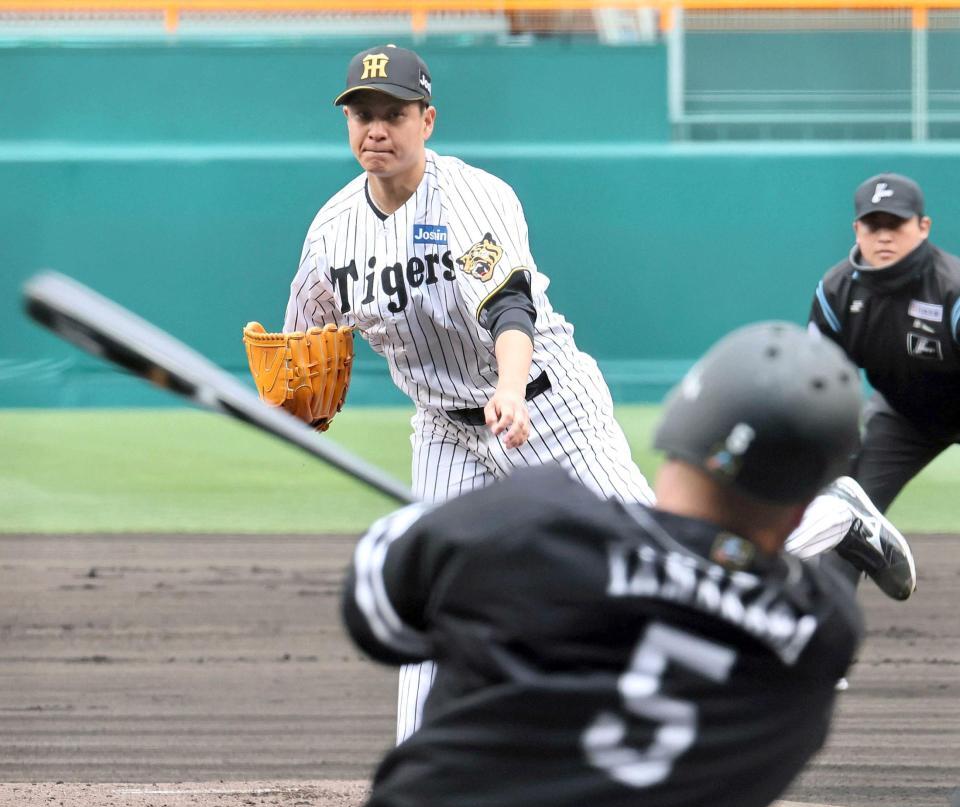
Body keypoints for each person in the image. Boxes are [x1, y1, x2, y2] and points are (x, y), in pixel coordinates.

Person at [277, 44, 912, 740]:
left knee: (672, 568)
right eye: (362, 114)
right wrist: (293, 410)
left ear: (427, 120)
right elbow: (302, 345)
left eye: (393, 113)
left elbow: (508, 308)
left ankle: (832, 519)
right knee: (438, 586)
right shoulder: (331, 232)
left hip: (547, 405)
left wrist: (511, 389)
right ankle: (414, 760)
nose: (376, 129)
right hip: (443, 428)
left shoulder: (470, 197)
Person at [342, 322, 864, 807]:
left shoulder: (529, 523)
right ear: (803, 508)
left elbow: (374, 615)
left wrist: (453, 540)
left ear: (678, 428)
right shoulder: (821, 637)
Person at [811, 172, 960, 516]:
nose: (883, 237)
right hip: (903, 416)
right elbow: (822, 386)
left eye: (895, 225)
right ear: (856, 231)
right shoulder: (836, 291)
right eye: (872, 226)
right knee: (841, 519)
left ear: (923, 227)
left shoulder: (952, 289)